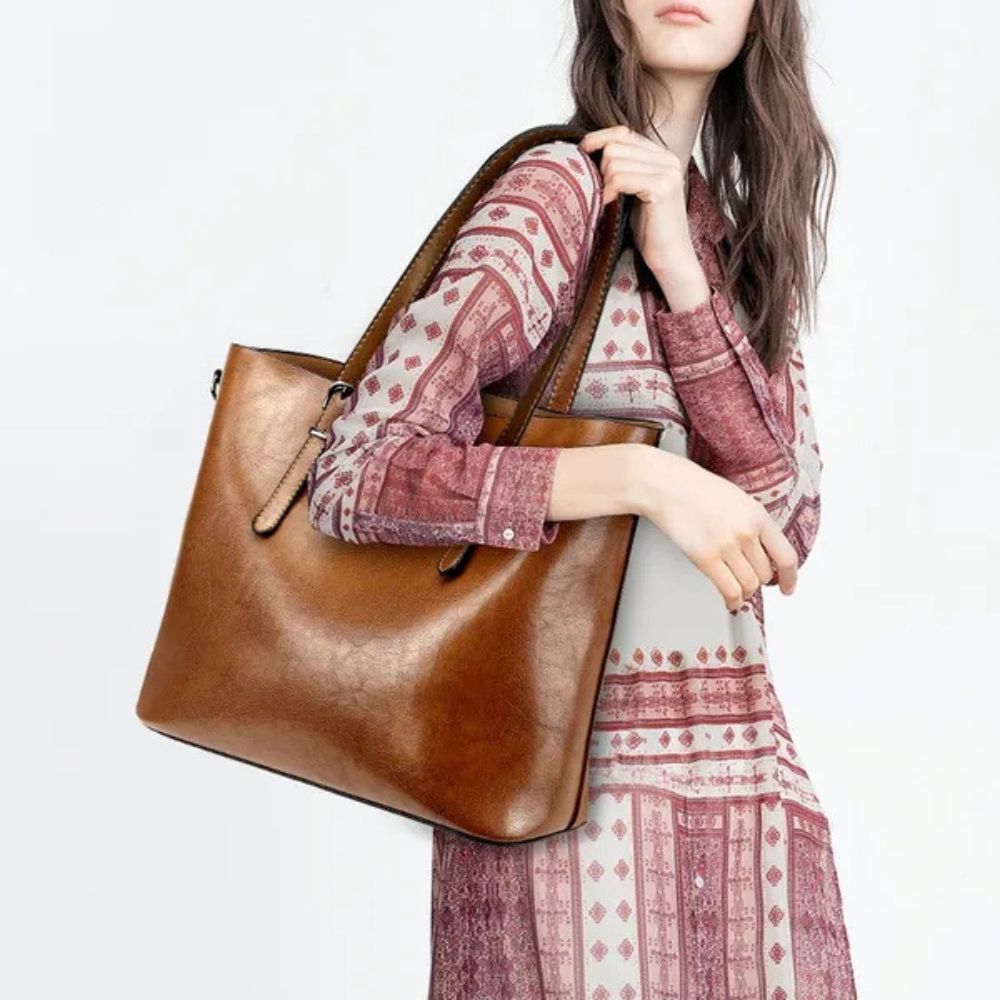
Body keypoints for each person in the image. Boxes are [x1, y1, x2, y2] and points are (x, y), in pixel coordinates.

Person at [307, 0, 856, 996]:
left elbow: (781, 524)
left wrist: (682, 274)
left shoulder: (727, 245)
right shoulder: (555, 195)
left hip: (745, 818)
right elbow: (357, 469)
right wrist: (638, 478)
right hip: (565, 811)